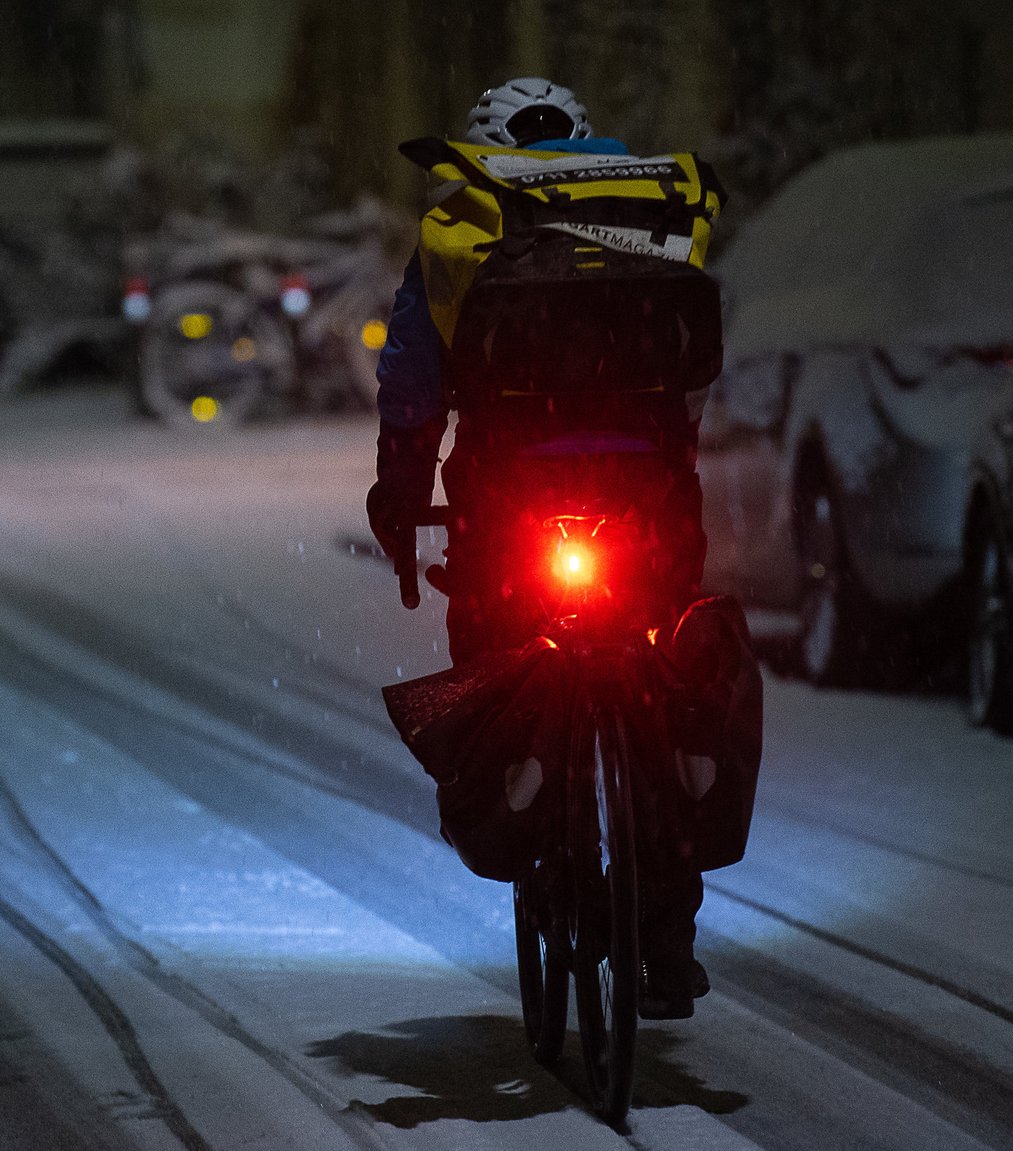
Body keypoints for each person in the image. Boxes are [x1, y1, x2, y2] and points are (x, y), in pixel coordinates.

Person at [368, 77, 718, 1020]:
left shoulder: (463, 228)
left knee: (501, 663)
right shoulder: (652, 210)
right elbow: (690, 382)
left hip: (511, 503)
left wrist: (400, 496)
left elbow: (413, 387)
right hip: (644, 497)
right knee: (662, 665)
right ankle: (668, 924)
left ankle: (528, 805)